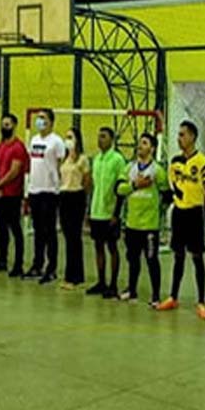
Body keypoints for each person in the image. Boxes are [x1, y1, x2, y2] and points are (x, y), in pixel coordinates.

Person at [159, 120, 205, 319]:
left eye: (182, 134)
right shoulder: (175, 162)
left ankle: (201, 302)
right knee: (178, 256)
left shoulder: (203, 162)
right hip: (179, 213)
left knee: (197, 257)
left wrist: (203, 214)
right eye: (178, 134)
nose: (179, 138)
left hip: (194, 214)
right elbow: (174, 187)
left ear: (192, 137)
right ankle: (173, 296)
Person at [116, 133, 169, 304]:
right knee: (132, 260)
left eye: (144, 143)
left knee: (152, 260)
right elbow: (119, 189)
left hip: (149, 226)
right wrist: (135, 185)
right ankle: (132, 291)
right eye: (139, 143)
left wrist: (159, 210)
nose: (140, 146)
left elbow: (167, 194)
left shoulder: (157, 171)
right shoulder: (129, 168)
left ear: (152, 148)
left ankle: (155, 296)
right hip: (132, 223)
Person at [24, 108, 65, 284]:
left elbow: (61, 165)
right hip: (35, 189)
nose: (39, 121)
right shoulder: (33, 140)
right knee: (38, 231)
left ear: (51, 121)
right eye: (38, 118)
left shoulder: (56, 142)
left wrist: (59, 186)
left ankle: (52, 267)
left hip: (50, 191)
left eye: (43, 118)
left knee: (50, 232)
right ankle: (37, 264)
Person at [86, 127, 127, 298]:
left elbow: (120, 188)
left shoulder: (118, 160)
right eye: (98, 136)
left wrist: (116, 213)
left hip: (110, 212)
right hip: (97, 211)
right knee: (98, 247)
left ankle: (113, 284)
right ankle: (101, 281)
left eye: (103, 136)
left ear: (112, 139)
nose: (100, 139)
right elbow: (93, 187)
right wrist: (89, 210)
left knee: (112, 247)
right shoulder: (96, 159)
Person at [0, 113, 28, 275]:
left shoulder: (18, 147)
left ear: (14, 125)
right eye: (2, 124)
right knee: (1, 229)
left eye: (7, 124)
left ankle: (18, 264)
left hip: (13, 194)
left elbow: (15, 171)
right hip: (0, 194)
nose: (4, 127)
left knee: (15, 229)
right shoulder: (0, 146)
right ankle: (2, 260)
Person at [58, 128, 90, 289]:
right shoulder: (64, 159)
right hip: (64, 196)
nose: (68, 140)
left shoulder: (82, 159)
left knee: (74, 237)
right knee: (67, 235)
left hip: (76, 196)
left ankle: (74, 276)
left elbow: (86, 182)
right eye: (66, 137)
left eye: (70, 137)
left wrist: (84, 201)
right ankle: (70, 274)